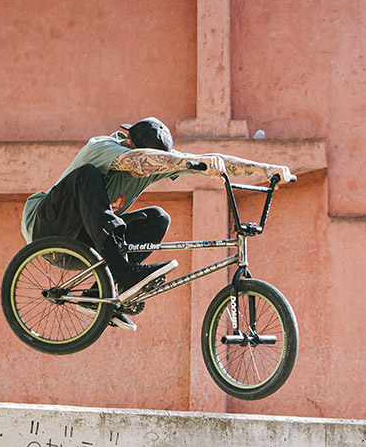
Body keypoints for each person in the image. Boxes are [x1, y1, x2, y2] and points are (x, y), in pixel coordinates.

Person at [20, 117, 295, 330]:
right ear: (128, 142)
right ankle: (126, 274)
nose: (146, 173)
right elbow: (139, 161)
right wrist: (183, 161)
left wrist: (266, 169)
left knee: (158, 218)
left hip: (82, 245)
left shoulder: (153, 166)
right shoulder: (102, 147)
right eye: (150, 164)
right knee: (86, 175)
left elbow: (217, 162)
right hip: (47, 229)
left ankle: (99, 295)